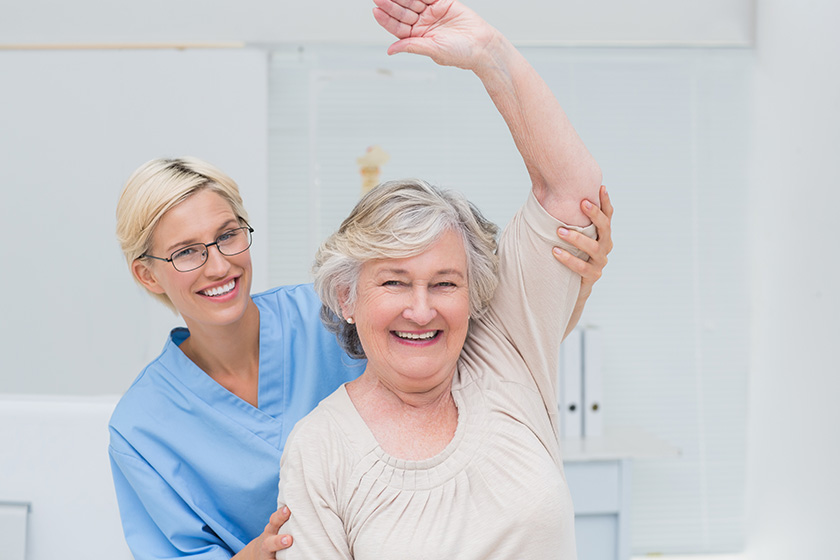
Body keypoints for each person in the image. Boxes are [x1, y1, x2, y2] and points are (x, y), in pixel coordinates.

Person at [109, 156, 610, 553]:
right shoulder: (142, 427)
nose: (218, 264)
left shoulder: (336, 309)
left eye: (227, 235)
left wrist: (573, 277)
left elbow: (485, 330)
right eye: (186, 251)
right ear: (148, 274)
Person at [273, 0, 605, 558]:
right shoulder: (319, 448)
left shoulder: (507, 353)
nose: (421, 309)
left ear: (474, 294)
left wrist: (489, 55)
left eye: (445, 283)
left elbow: (571, 195)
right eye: (394, 283)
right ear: (346, 297)